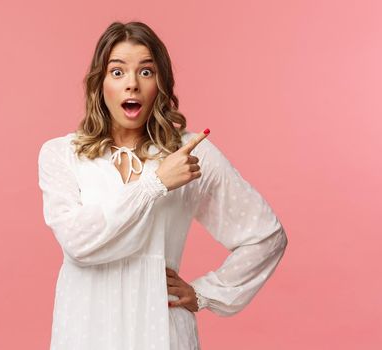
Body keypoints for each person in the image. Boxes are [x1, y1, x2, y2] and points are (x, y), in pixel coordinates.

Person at [37, 21, 289, 350]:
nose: (131, 85)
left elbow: (265, 236)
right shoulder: (62, 155)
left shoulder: (187, 154)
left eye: (146, 72)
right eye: (117, 72)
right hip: (86, 330)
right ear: (100, 84)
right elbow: (78, 244)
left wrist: (205, 293)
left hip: (161, 329)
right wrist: (155, 183)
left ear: (161, 82)